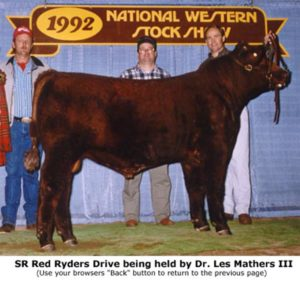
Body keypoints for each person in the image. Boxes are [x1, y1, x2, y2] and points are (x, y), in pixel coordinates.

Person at [121, 36, 174, 227]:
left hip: (159, 136)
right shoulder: (126, 77)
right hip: (134, 136)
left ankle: (162, 215)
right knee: (131, 177)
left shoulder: (166, 77)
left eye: (150, 49)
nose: (146, 52)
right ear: (137, 53)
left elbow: (170, 110)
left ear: (156, 53)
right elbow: (119, 109)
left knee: (161, 177)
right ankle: (131, 216)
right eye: (142, 49)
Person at [0, 26, 49, 233]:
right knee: (12, 174)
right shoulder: (3, 70)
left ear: (32, 44)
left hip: (33, 129)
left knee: (31, 173)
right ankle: (9, 220)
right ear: (13, 44)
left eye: (27, 40)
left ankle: (32, 219)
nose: (23, 44)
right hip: (11, 127)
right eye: (20, 40)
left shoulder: (43, 69)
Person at [204, 24, 252, 224]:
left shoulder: (236, 59)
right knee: (220, 161)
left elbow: (255, 61)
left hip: (235, 111)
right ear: (205, 42)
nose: (213, 40)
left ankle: (243, 209)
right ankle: (226, 207)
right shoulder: (205, 66)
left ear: (224, 38)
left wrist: (267, 45)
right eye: (209, 37)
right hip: (214, 116)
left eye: (216, 36)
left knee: (239, 159)